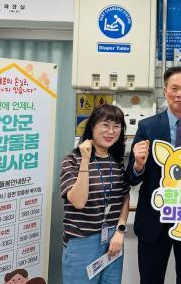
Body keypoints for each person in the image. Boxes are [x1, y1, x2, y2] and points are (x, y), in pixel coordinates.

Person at [127, 66, 181, 284]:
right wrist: (138, 164)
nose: (179, 94)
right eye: (174, 88)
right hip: (153, 221)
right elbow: (132, 178)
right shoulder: (147, 127)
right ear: (165, 91)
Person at [60, 104, 130, 284]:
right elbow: (78, 202)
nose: (111, 131)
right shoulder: (72, 160)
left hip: (113, 239)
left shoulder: (117, 162)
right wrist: (85, 159)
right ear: (92, 126)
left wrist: (120, 231)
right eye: (105, 125)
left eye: (116, 126)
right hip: (82, 241)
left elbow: (124, 197)